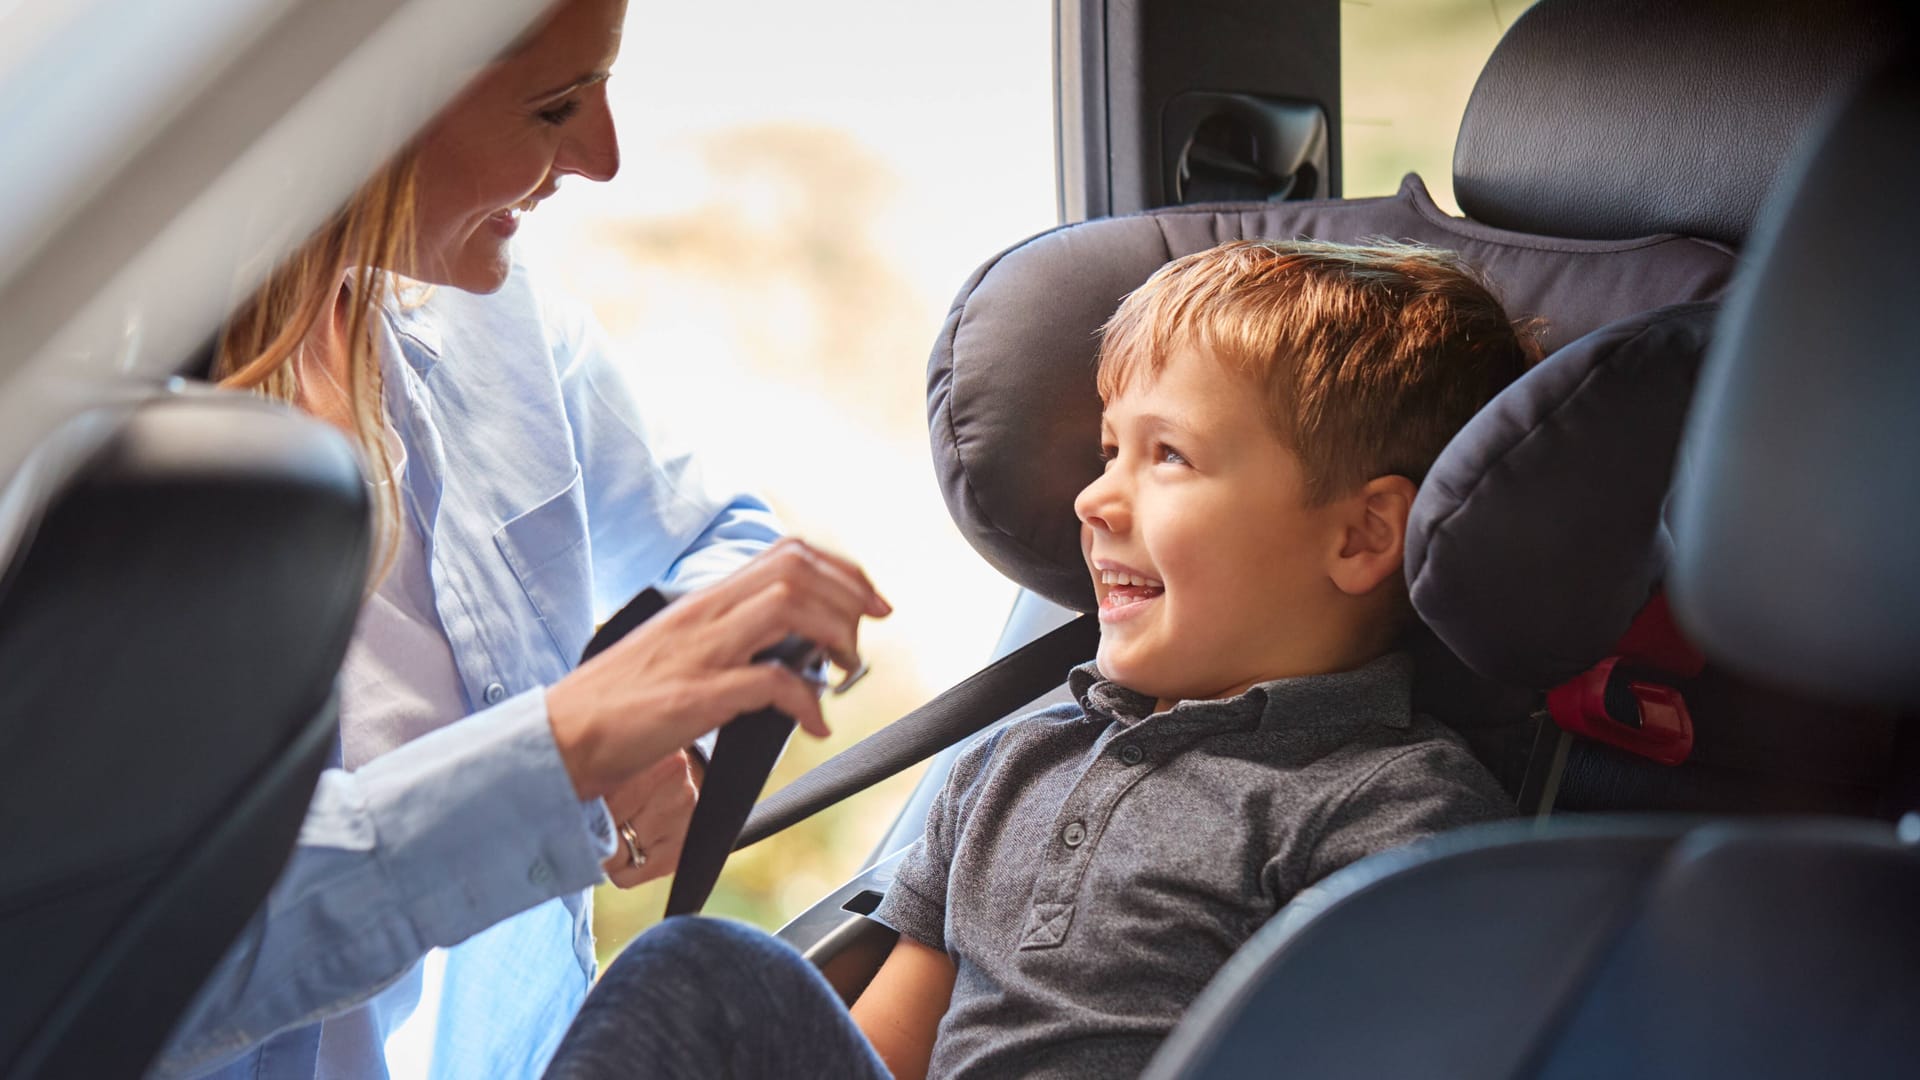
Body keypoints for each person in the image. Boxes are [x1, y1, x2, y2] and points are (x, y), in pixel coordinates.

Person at [541, 238, 1539, 1079]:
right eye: (1110, 451)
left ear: (1361, 536)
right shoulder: (1008, 769)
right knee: (698, 975)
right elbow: (889, 1053)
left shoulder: (1394, 815)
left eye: (1169, 457)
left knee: (699, 967)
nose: (1093, 501)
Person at [149, 1, 891, 1078]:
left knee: (720, 987)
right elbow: (161, 952)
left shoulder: (497, 329)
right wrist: (564, 747)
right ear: (359, 116)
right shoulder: (102, 474)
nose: (604, 156)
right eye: (553, 106)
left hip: (503, 1050)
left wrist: (650, 714)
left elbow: (725, 540)